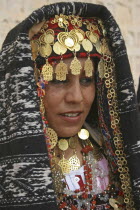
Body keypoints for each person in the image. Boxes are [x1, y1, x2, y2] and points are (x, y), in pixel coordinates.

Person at [0, 2, 140, 210]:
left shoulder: (114, 154)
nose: (76, 97)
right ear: (26, 86)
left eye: (87, 80)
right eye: (58, 79)